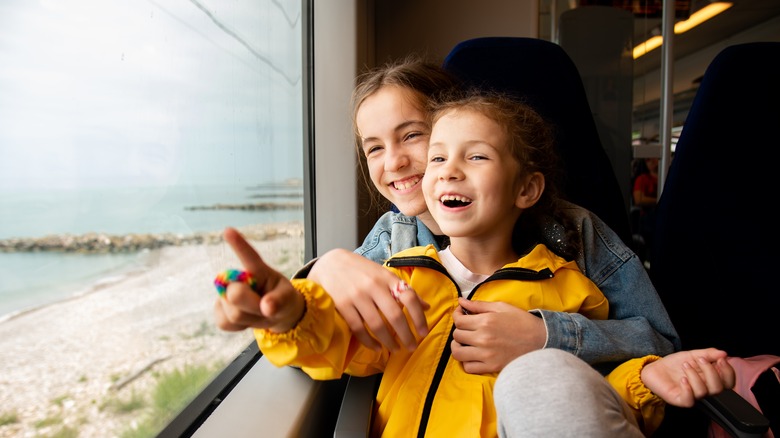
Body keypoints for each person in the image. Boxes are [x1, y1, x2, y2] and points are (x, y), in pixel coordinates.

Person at [214, 91, 734, 437]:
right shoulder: (403, 276)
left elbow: (583, 402)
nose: (442, 172)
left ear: (527, 189)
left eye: (475, 156)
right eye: (438, 158)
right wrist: (290, 315)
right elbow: (340, 338)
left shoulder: (571, 286)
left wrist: (644, 377)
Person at [214, 57, 680, 377]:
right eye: (374, 148)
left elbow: (662, 345)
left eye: (412, 136)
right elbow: (328, 335)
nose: (393, 162)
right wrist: (317, 274)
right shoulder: (392, 241)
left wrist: (545, 333)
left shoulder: (571, 228)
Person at [632, 156, 659, 266]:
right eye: (648, 160)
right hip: (648, 218)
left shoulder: (667, 176)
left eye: (654, 158)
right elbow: (638, 200)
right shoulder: (642, 179)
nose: (652, 161)